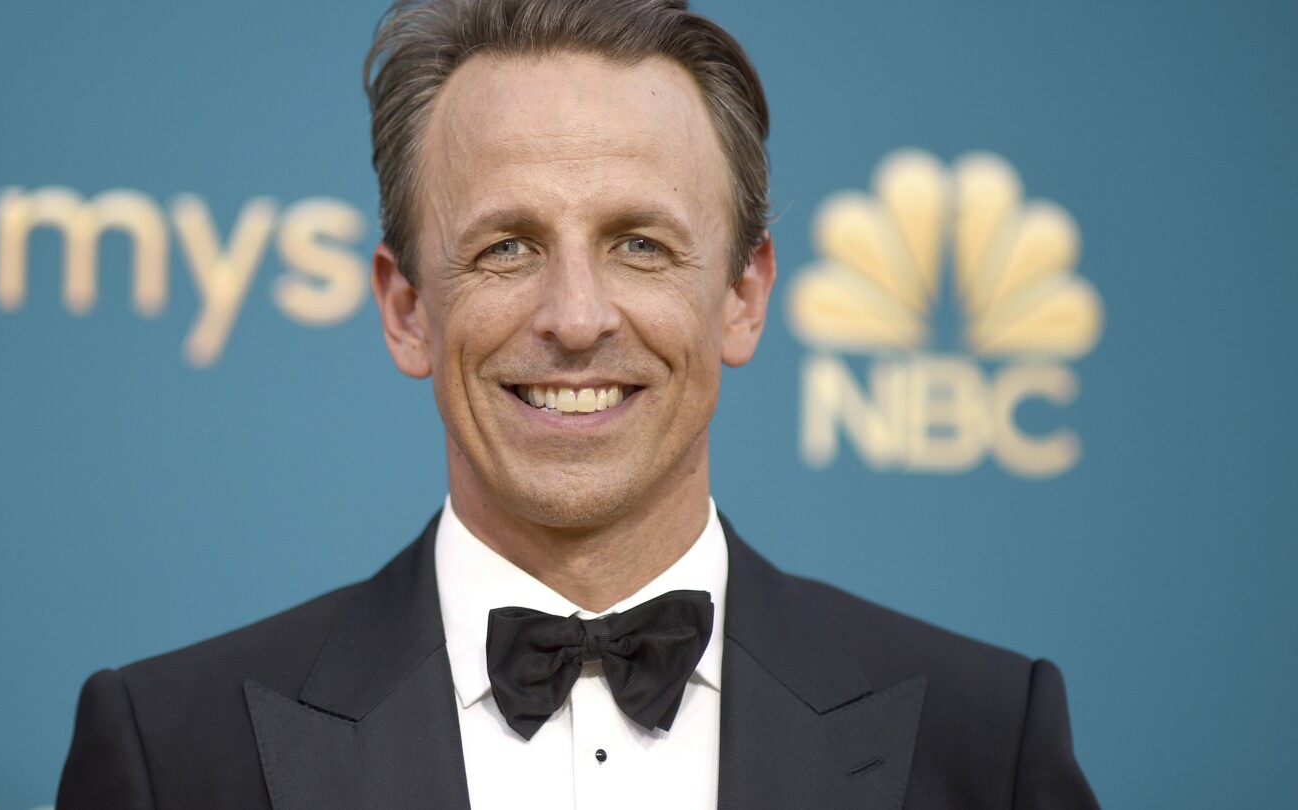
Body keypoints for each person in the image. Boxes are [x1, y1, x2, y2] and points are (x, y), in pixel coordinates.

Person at [57, 0, 1100, 807]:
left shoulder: (984, 742)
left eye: (639, 245)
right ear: (408, 308)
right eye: (506, 246)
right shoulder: (175, 753)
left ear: (742, 298)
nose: (574, 316)